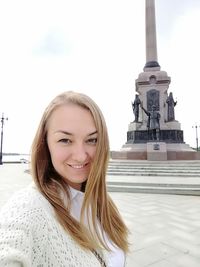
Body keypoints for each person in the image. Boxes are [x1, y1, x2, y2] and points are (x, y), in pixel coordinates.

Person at [0, 91, 129, 266]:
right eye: (65, 140)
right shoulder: (29, 206)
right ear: (45, 143)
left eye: (92, 140)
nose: (80, 156)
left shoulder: (102, 204)